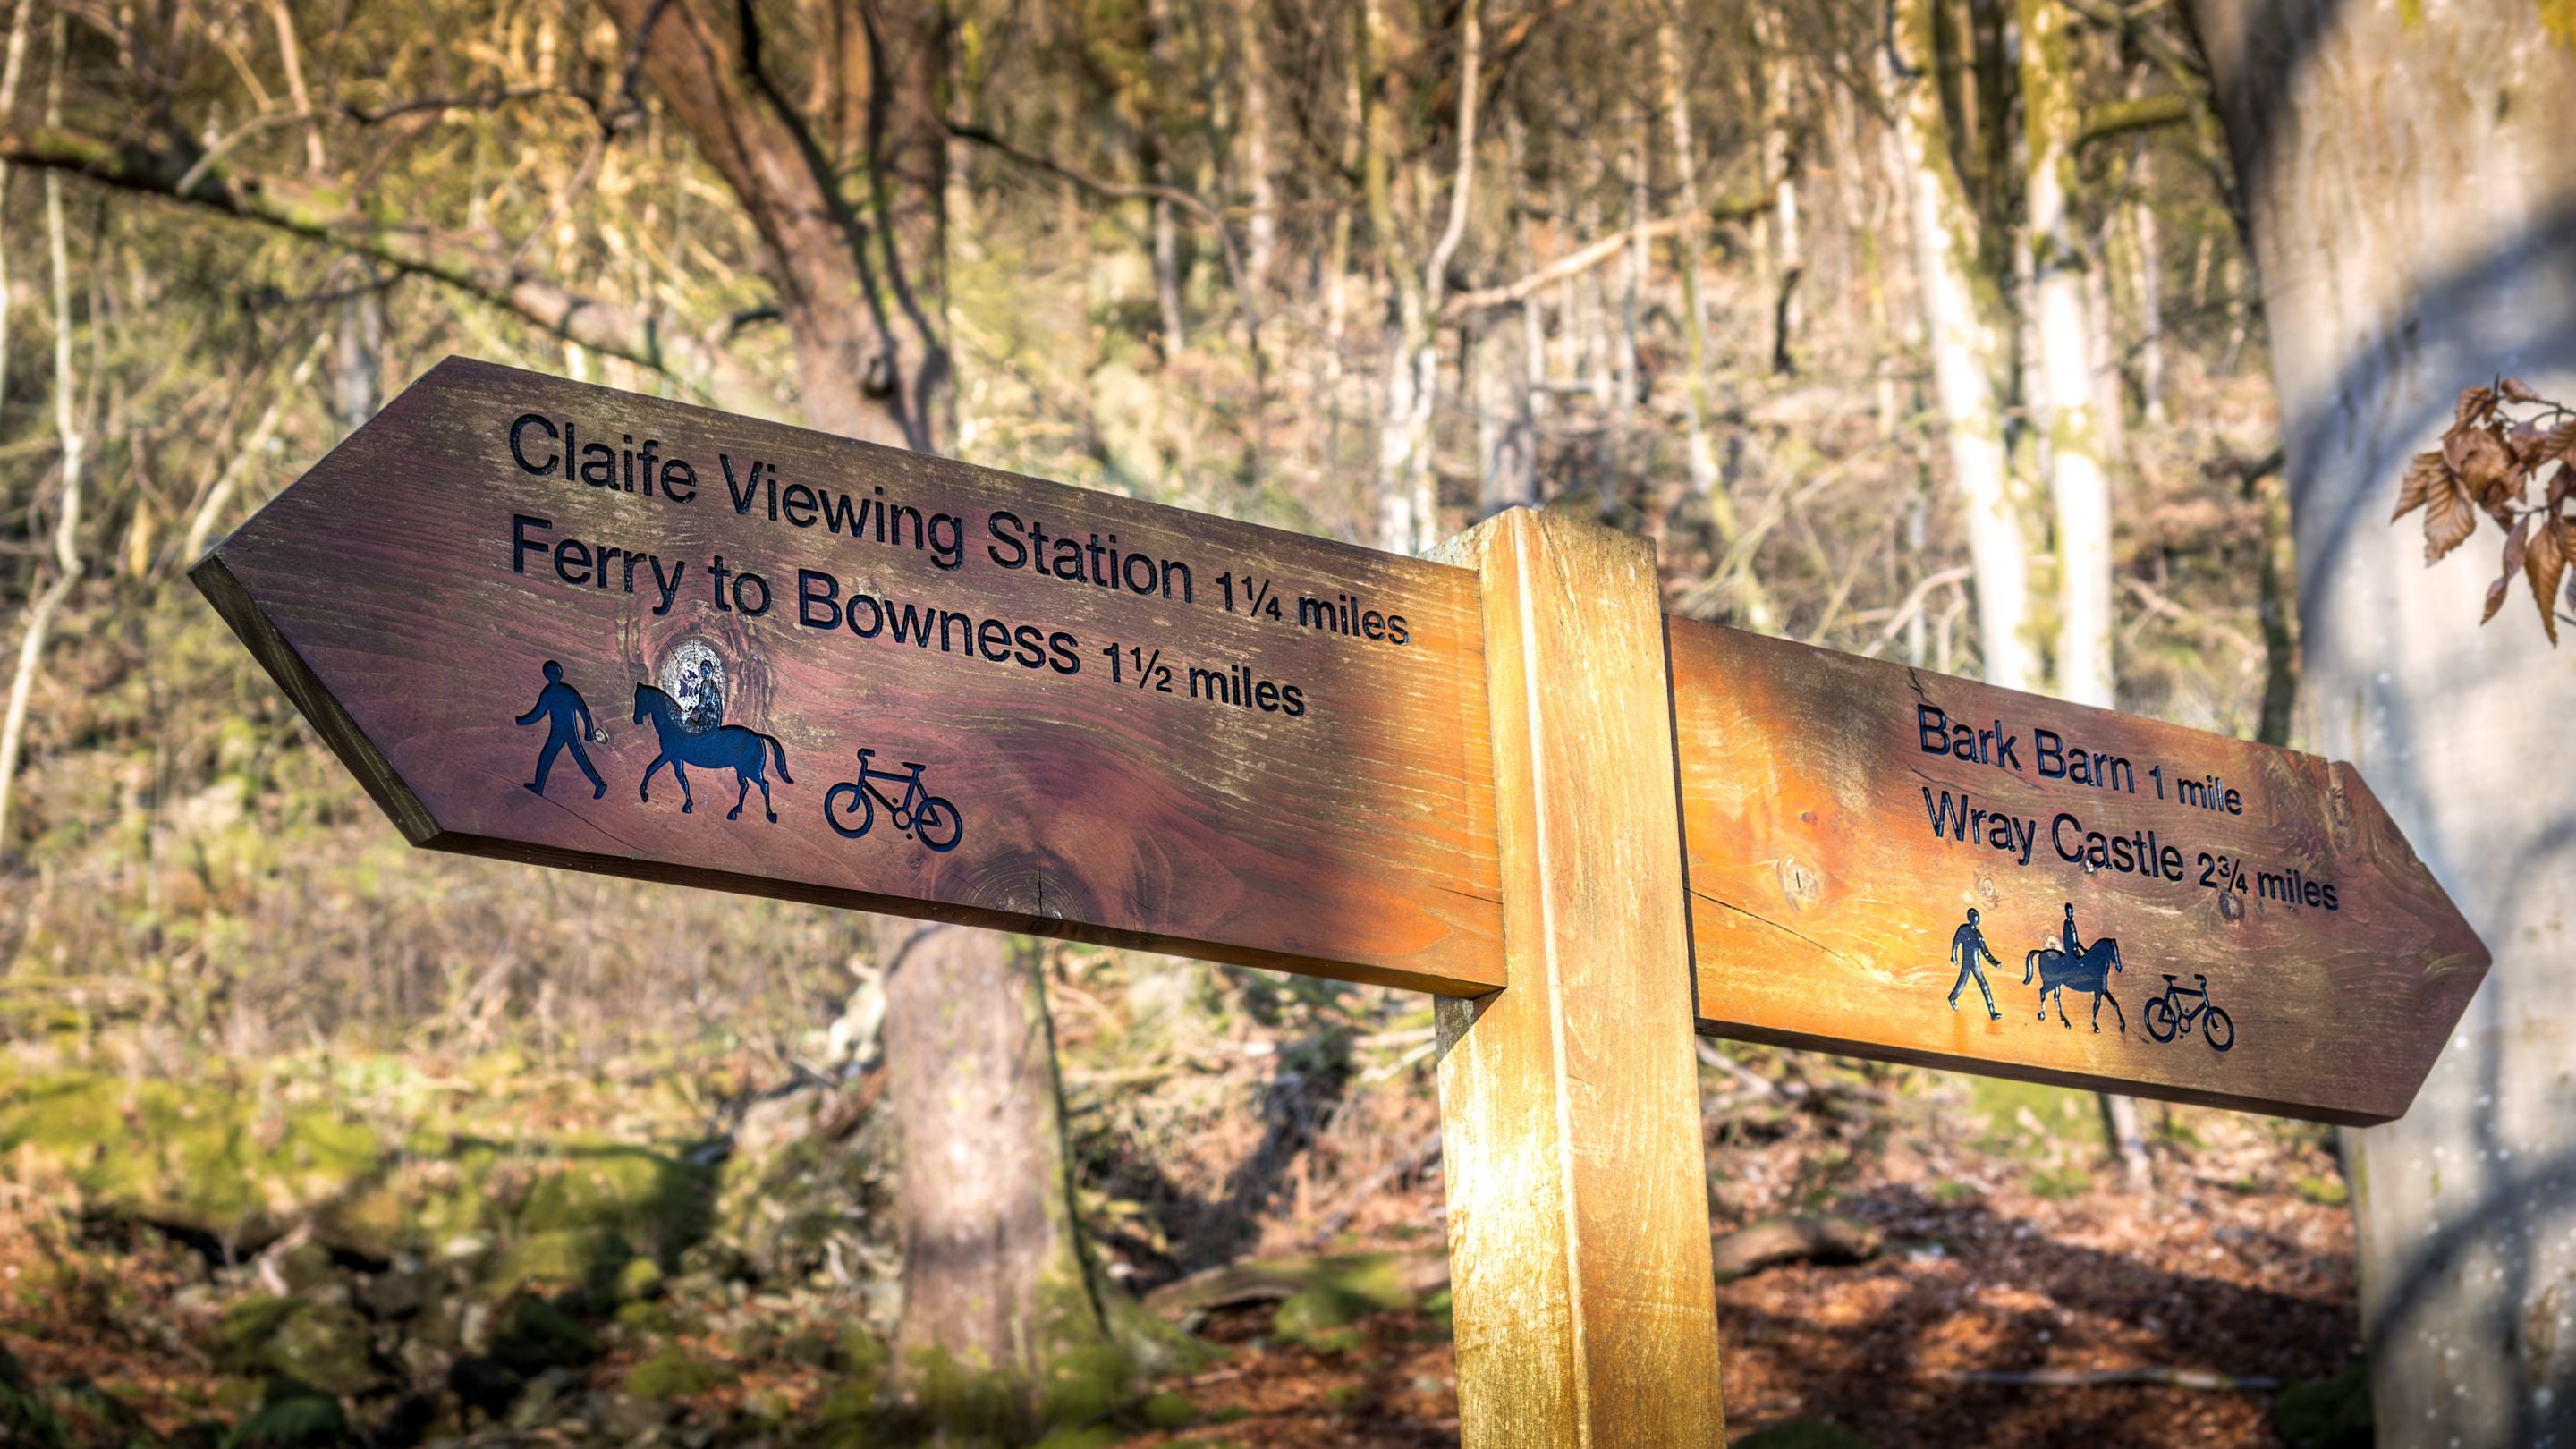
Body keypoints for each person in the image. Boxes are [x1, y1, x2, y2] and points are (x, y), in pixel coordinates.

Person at [516, 660, 606, 800]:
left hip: (564, 732)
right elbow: (582, 710)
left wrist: (521, 720)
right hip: (559, 732)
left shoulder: (551, 693)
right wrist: (589, 730)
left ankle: (599, 784)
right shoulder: (564, 692)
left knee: (577, 759)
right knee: (548, 757)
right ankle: (538, 786)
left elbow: (538, 714)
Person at [1948, 906, 2003, 1020]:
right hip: (1967, 963)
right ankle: (1952, 998)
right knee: (1962, 984)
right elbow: (1956, 942)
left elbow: (1985, 952)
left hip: (1975, 964)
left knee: (1984, 986)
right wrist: (1953, 956)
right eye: (1974, 918)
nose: (1976, 920)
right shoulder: (1963, 930)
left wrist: (1995, 963)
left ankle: (1992, 1012)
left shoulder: (1977, 935)